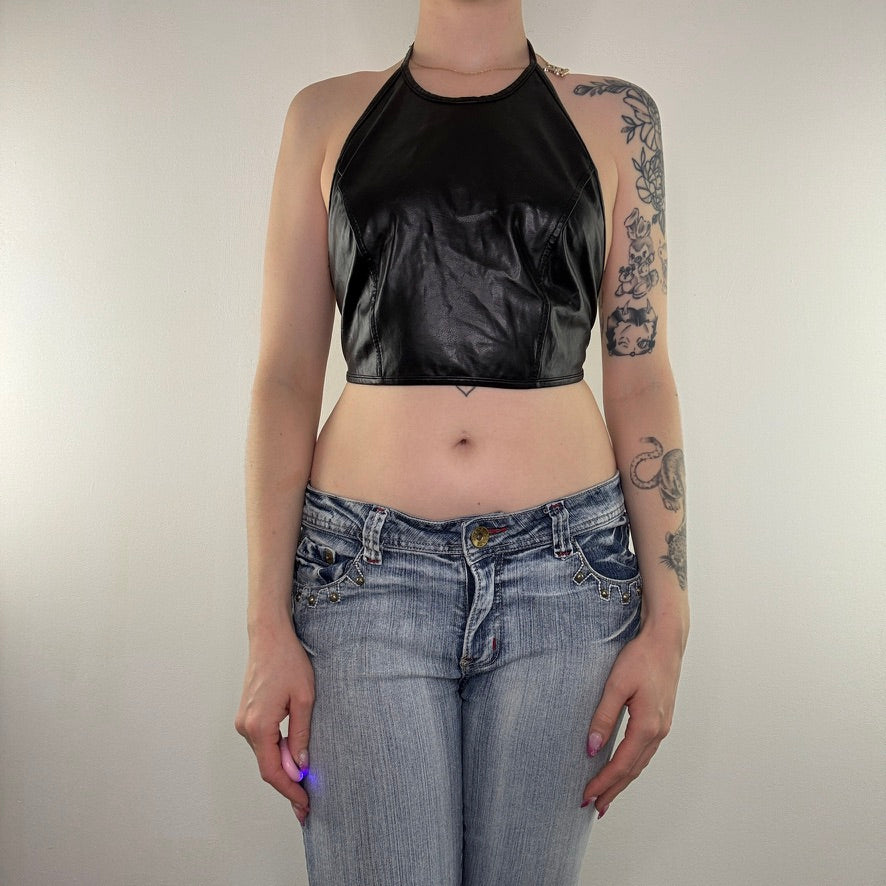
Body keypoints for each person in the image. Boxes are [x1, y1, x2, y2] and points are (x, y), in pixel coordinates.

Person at [235, 0, 689, 882]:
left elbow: (641, 374)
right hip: (361, 580)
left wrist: (670, 624)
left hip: (567, 581)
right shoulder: (324, 115)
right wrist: (265, 627)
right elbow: (285, 377)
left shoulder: (617, 116)